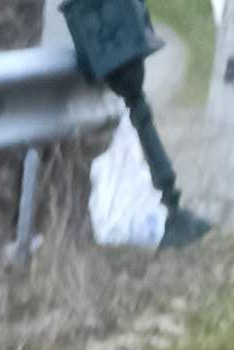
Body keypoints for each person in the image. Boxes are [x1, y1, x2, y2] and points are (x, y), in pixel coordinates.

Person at [59, 0, 211, 247]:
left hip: (110, 38)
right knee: (140, 114)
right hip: (112, 37)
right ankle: (172, 207)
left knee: (140, 114)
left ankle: (173, 207)